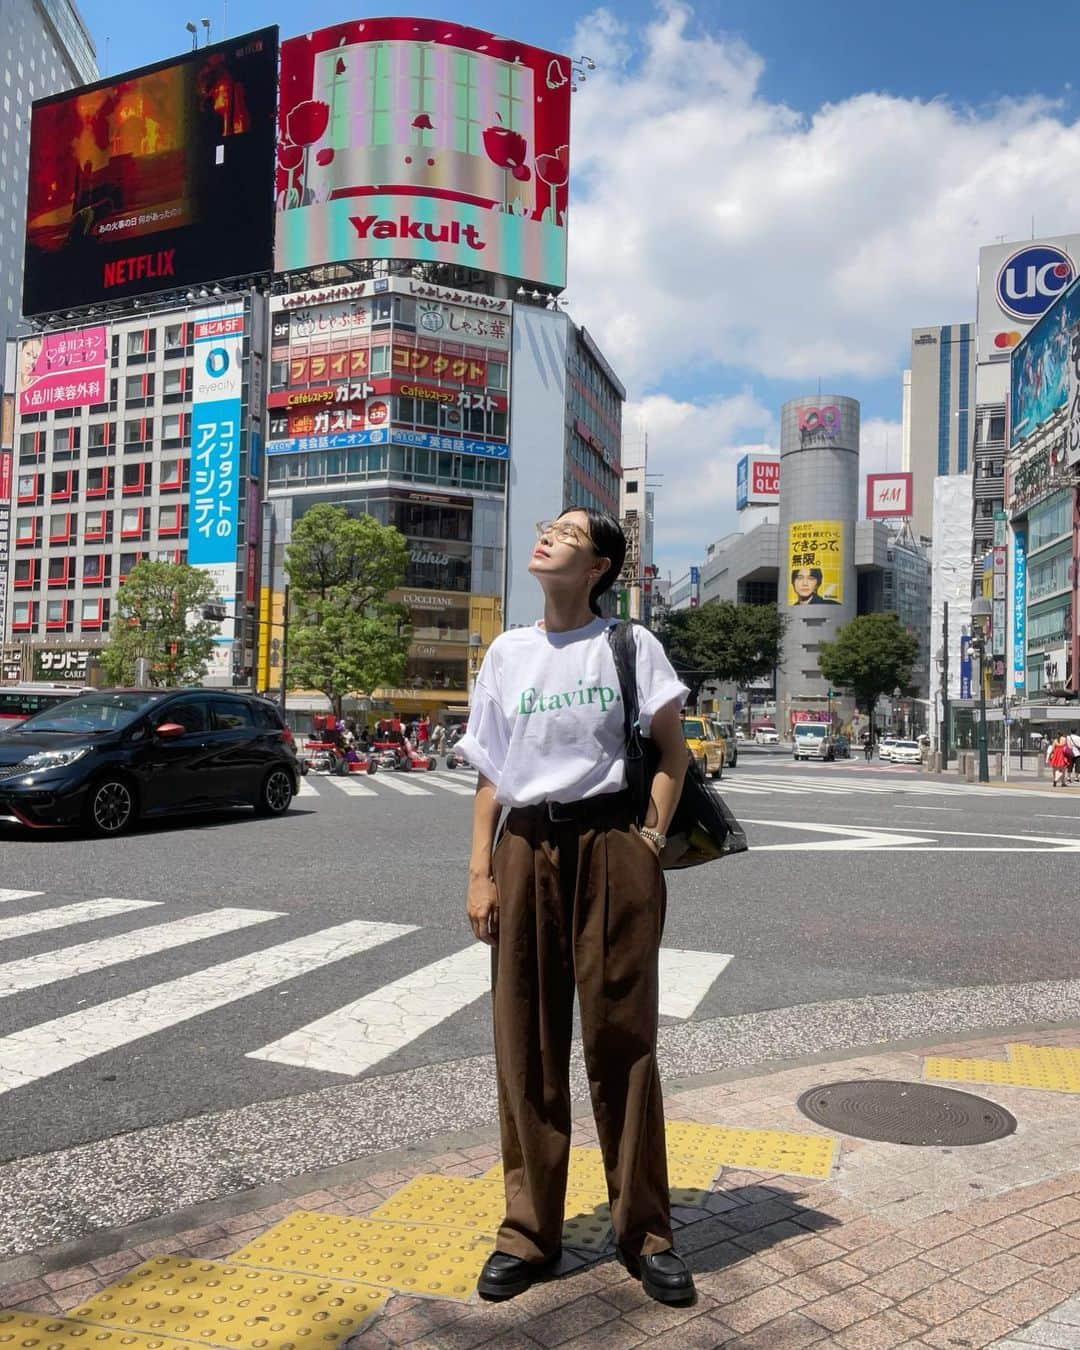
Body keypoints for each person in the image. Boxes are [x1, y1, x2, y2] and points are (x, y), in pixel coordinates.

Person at [459, 509, 695, 1308]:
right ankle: (529, 1233)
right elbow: (491, 772)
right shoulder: (507, 651)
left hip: (610, 847)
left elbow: (673, 751)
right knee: (523, 1039)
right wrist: (479, 872)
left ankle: (646, 1232)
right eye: (547, 527)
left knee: (622, 1040)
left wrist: (650, 841)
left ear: (598, 565)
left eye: (567, 532)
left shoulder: (629, 644)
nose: (547, 536)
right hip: (525, 848)